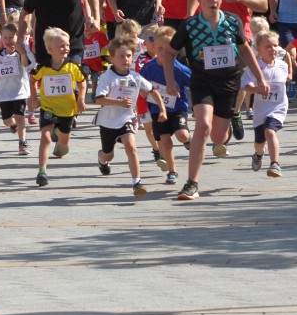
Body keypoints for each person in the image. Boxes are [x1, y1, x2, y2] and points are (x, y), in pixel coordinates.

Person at [164, 0, 268, 201]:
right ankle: (191, 183)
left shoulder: (232, 21)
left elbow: (245, 50)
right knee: (202, 126)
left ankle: (229, 123)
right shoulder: (190, 25)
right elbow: (169, 53)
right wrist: (170, 81)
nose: (213, 0)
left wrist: (260, 78)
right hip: (202, 81)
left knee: (218, 138)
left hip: (228, 83)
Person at [94, 36, 168, 196]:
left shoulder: (135, 77)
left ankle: (137, 183)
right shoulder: (107, 77)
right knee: (109, 155)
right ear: (112, 58)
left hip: (126, 119)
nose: (125, 59)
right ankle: (102, 158)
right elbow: (99, 99)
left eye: (128, 56)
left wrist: (162, 109)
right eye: (121, 56)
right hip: (108, 122)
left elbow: (152, 90)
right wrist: (119, 102)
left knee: (131, 147)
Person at [31, 27, 86, 187]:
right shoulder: (43, 67)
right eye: (61, 46)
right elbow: (32, 79)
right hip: (48, 107)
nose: (66, 48)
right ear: (50, 49)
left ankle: (60, 135)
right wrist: (34, 99)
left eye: (67, 45)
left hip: (68, 109)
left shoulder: (73, 66)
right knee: (45, 137)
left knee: (63, 142)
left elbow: (82, 82)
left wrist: (81, 99)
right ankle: (42, 171)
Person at [138, 25, 192, 185]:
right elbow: (139, 83)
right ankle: (172, 171)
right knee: (165, 141)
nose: (163, 52)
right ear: (154, 47)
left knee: (182, 135)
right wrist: (142, 91)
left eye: (168, 48)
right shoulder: (148, 67)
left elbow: (195, 83)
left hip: (177, 109)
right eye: (160, 48)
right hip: (157, 111)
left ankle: (188, 139)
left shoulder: (180, 68)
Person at [19, 0, 93, 67]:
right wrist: (20, 37)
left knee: (72, 75)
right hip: (46, 48)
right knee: (48, 77)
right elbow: (25, 14)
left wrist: (94, 18)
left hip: (72, 44)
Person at [242, 29, 291, 178]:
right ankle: (258, 154)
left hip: (278, 107)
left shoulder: (282, 65)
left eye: (275, 46)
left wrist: (290, 74)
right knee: (259, 142)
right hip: (261, 109)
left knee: (270, 131)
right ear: (258, 49)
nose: (272, 49)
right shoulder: (255, 67)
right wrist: (257, 89)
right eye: (268, 47)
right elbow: (245, 85)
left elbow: (287, 74)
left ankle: (275, 164)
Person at [0, 21, 31, 153]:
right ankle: (12, 125)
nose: (8, 40)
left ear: (17, 37)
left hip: (19, 92)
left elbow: (25, 64)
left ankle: (22, 142)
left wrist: (22, 53)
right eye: (5, 37)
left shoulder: (20, 53)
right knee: (7, 121)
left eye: (11, 37)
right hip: (4, 94)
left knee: (20, 117)